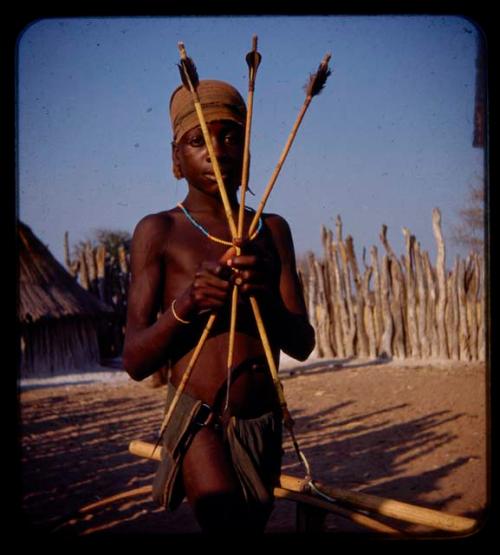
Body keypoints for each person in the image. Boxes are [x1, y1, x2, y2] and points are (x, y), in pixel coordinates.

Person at [123, 79, 315, 533]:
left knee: (247, 528)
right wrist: (188, 303)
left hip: (261, 421)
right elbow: (134, 358)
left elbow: (302, 344)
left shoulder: (271, 230)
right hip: (196, 416)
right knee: (226, 523)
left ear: (246, 153)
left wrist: (264, 293)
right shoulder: (159, 231)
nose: (217, 150)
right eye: (199, 140)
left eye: (231, 137)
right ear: (176, 159)